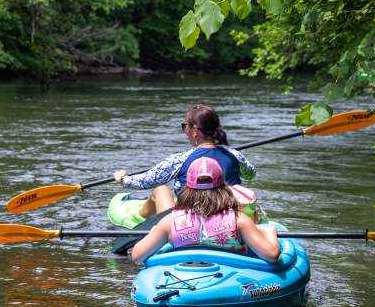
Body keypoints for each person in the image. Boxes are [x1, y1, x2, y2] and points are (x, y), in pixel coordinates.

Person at [114, 104, 255, 218]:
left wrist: (123, 179)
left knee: (161, 190)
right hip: (230, 215)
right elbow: (250, 174)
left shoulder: (179, 160)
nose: (184, 131)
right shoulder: (235, 155)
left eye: (184, 126)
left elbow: (145, 181)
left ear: (194, 130)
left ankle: (139, 218)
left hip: (190, 219)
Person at [130, 157, 279, 264]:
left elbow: (137, 256)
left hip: (184, 278)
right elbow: (271, 255)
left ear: (187, 189)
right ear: (224, 189)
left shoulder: (169, 223)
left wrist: (155, 231)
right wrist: (269, 233)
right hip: (227, 279)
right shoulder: (238, 221)